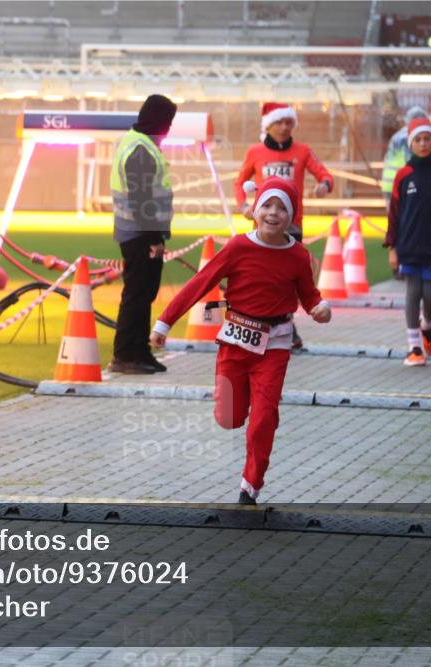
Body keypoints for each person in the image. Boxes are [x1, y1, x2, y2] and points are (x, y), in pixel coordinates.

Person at [150, 177, 332, 505]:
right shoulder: (237, 247)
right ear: (255, 211)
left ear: (292, 217)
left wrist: (319, 309)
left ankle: (251, 484)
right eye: (267, 205)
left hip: (275, 344)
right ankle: (235, 408)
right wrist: (165, 322)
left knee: (263, 417)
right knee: (229, 417)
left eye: (282, 208)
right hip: (235, 342)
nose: (274, 214)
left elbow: (309, 295)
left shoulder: (298, 256)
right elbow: (200, 283)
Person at [233, 101, 332, 347]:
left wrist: (325, 185)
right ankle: (267, 326)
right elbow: (239, 182)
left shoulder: (303, 150)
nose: (284, 127)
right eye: (279, 122)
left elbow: (324, 174)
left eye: (289, 122)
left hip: (292, 225)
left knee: (289, 279)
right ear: (268, 125)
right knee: (263, 278)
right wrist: (244, 206)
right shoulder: (255, 152)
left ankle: (285, 326)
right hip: (263, 226)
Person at [384, 118, 431, 367]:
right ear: (411, 144)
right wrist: (392, 246)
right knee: (412, 294)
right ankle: (414, 347)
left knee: (430, 297)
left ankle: (427, 325)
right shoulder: (403, 175)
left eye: (427, 138)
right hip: (408, 246)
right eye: (418, 139)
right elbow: (393, 213)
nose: (423, 143)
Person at [108, 94, 177, 374]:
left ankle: (139, 351)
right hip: (140, 234)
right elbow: (141, 199)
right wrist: (154, 239)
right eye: (168, 122)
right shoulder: (141, 149)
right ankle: (126, 354)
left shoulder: (138, 143)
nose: (169, 129)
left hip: (136, 232)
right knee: (137, 294)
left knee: (142, 294)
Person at [380, 106, 428, 205]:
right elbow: (411, 161)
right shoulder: (411, 136)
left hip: (389, 182)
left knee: (394, 217)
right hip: (403, 182)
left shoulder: (398, 135)